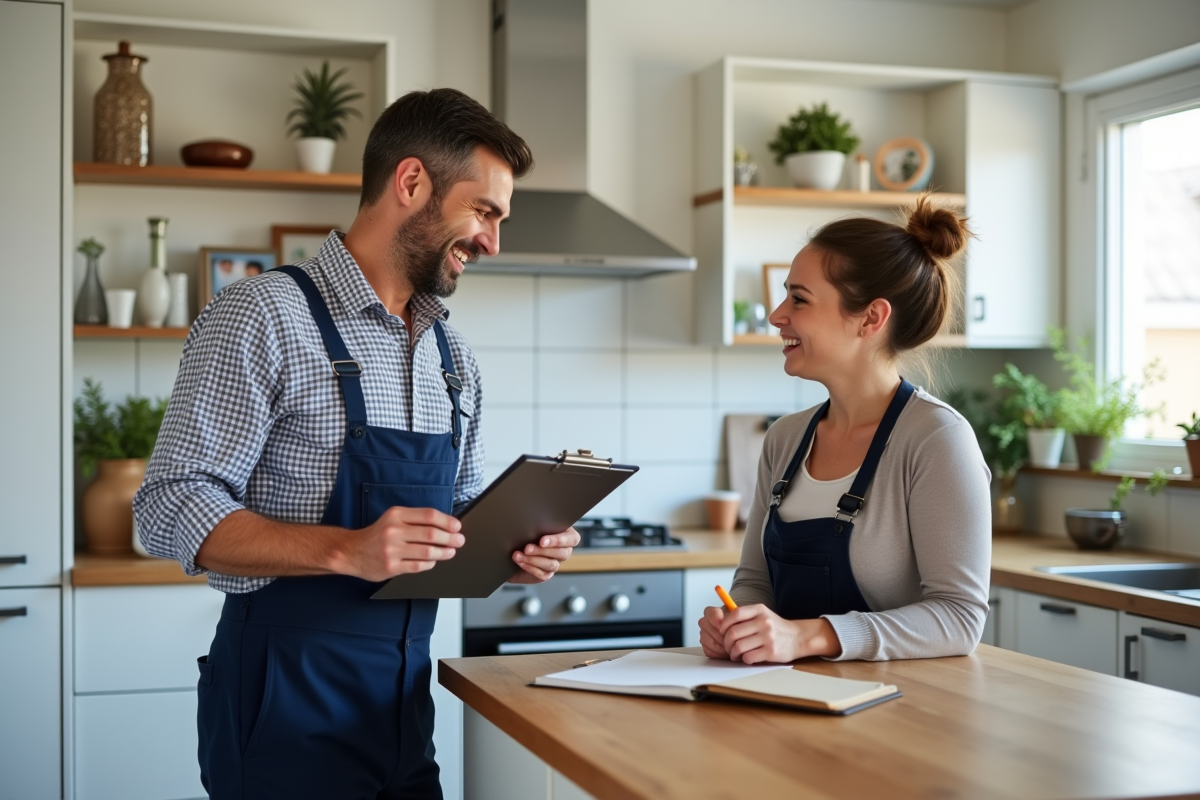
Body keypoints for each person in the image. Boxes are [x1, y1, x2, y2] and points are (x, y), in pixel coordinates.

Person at [134, 88, 578, 799]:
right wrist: (345, 549)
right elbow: (167, 506)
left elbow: (455, 521)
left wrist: (510, 553)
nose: (493, 240)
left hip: (401, 715)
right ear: (411, 183)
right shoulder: (262, 314)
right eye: (484, 212)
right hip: (280, 713)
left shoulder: (452, 357)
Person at [699, 198, 991, 665]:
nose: (777, 315)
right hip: (786, 703)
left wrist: (808, 637)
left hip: (902, 712)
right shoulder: (785, 438)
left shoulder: (936, 439)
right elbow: (755, 582)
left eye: (799, 298)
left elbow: (959, 618)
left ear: (871, 318)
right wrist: (739, 625)